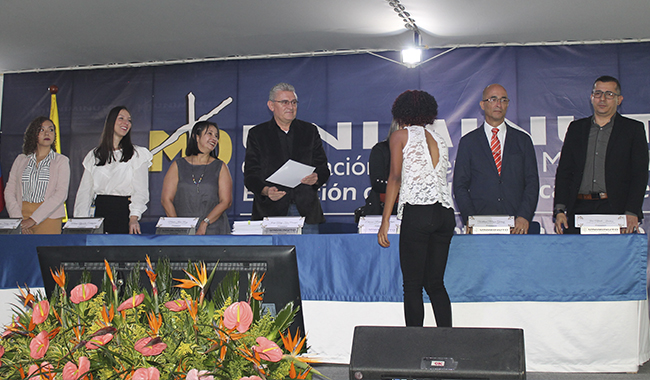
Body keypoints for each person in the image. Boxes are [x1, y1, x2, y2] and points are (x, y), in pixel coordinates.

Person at [378, 90, 455, 327]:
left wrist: (385, 220)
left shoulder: (399, 136)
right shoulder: (440, 139)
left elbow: (394, 177)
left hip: (419, 212)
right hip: (444, 213)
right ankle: (449, 341)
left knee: (412, 285)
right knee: (435, 283)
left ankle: (414, 345)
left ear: (401, 112)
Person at [554, 75, 648, 234]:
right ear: (592, 98)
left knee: (615, 259)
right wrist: (560, 209)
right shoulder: (577, 129)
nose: (602, 99)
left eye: (609, 94)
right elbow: (564, 171)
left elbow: (639, 174)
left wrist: (632, 211)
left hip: (617, 209)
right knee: (579, 258)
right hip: (579, 209)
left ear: (619, 99)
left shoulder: (633, 129)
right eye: (598, 94)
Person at [244, 83, 330, 234]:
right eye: (284, 102)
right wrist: (265, 190)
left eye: (294, 102)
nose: (290, 106)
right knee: (273, 257)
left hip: (306, 210)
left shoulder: (309, 131)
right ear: (271, 105)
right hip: (270, 210)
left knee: (307, 255)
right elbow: (251, 174)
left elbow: (323, 168)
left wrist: (316, 177)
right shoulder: (258, 134)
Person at [453, 84, 539, 234]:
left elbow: (532, 182)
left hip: (516, 226)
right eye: (493, 99)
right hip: (480, 225)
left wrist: (524, 216)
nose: (499, 104)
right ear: (482, 104)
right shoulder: (468, 142)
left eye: (503, 100)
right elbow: (460, 185)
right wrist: (471, 219)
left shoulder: (523, 140)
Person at [74, 106, 153, 234]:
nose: (126, 123)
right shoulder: (94, 155)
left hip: (122, 213)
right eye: (121, 118)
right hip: (99, 213)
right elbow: (84, 193)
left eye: (129, 120)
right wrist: (81, 222)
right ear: (111, 122)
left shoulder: (137, 154)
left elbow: (141, 192)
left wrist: (134, 218)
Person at [161, 121, 232, 234]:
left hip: (212, 230)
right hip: (180, 232)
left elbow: (226, 201)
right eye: (209, 133)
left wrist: (205, 223)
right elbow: (166, 199)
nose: (214, 138)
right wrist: (177, 226)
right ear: (196, 137)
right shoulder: (178, 165)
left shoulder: (220, 166)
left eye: (216, 136)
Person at [5, 116, 70, 234]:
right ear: (33, 134)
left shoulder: (61, 161)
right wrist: (18, 221)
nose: (47, 133)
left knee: (46, 252)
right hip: (21, 217)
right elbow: (9, 191)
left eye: (51, 130)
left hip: (49, 217)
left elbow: (61, 194)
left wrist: (34, 219)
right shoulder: (21, 159)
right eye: (42, 130)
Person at [362, 120, 400, 216]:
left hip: (412, 209)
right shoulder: (381, 149)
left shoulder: (419, 152)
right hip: (383, 208)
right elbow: (377, 183)